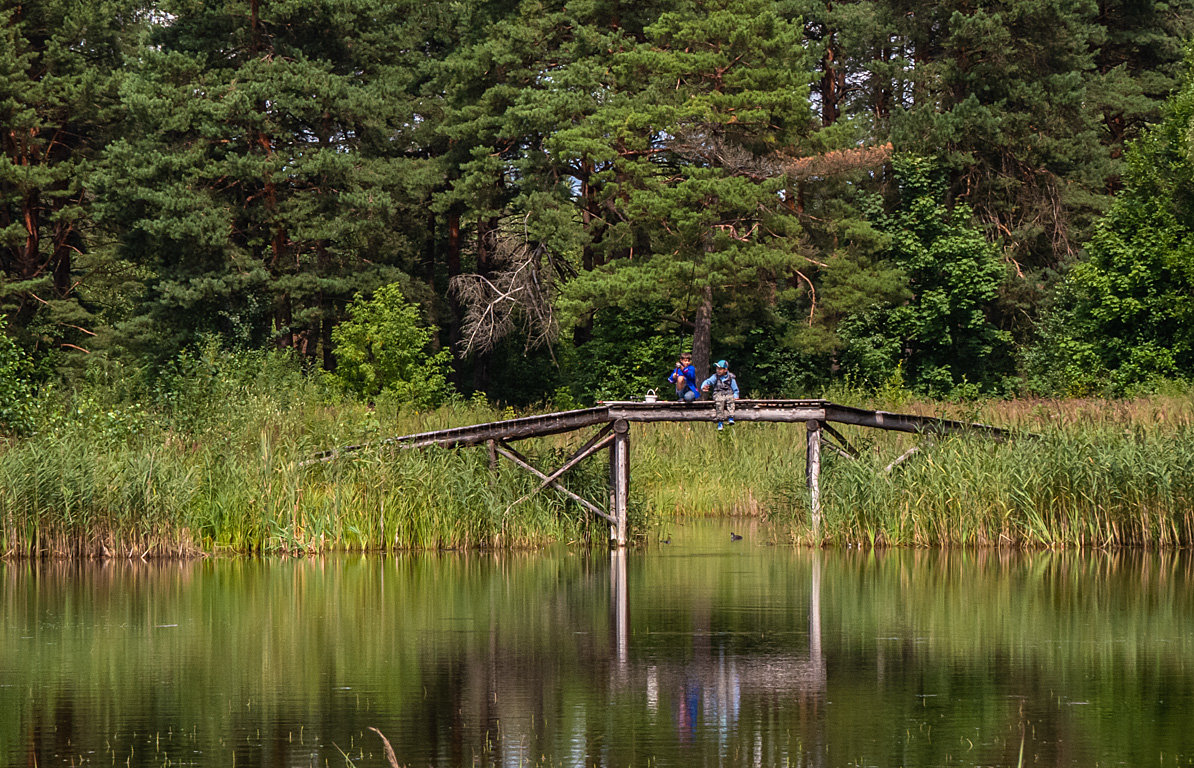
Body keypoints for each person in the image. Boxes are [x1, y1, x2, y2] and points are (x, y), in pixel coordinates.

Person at [700, 359, 739, 430]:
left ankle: (731, 416)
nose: (718, 370)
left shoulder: (731, 377)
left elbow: (735, 389)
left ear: (725, 369)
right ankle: (720, 421)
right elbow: (708, 381)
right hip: (718, 393)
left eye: (720, 369)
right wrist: (704, 386)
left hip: (728, 393)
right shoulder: (715, 377)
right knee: (719, 401)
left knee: (731, 399)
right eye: (717, 368)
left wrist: (736, 396)